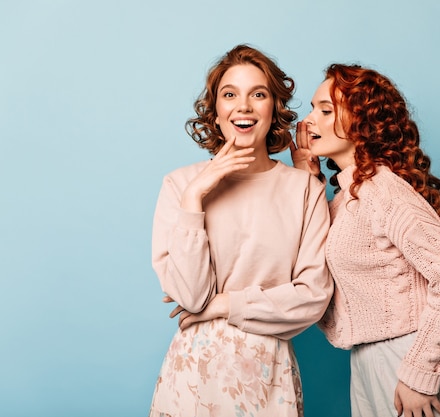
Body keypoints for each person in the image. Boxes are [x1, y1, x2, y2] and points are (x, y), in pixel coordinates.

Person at [148, 44, 333, 417]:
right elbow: (190, 295)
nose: (243, 106)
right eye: (229, 95)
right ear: (215, 113)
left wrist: (225, 304)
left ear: (273, 110)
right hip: (193, 378)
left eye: (258, 94)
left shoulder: (304, 190)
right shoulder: (179, 185)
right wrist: (197, 195)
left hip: (270, 376)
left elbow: (313, 298)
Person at [291, 64, 440, 417]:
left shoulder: (382, 190)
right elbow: (309, 267)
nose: (309, 121)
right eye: (312, 108)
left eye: (325, 109)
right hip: (367, 364)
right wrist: (308, 178)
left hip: (408, 362)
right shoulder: (345, 199)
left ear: (360, 120)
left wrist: (419, 375)